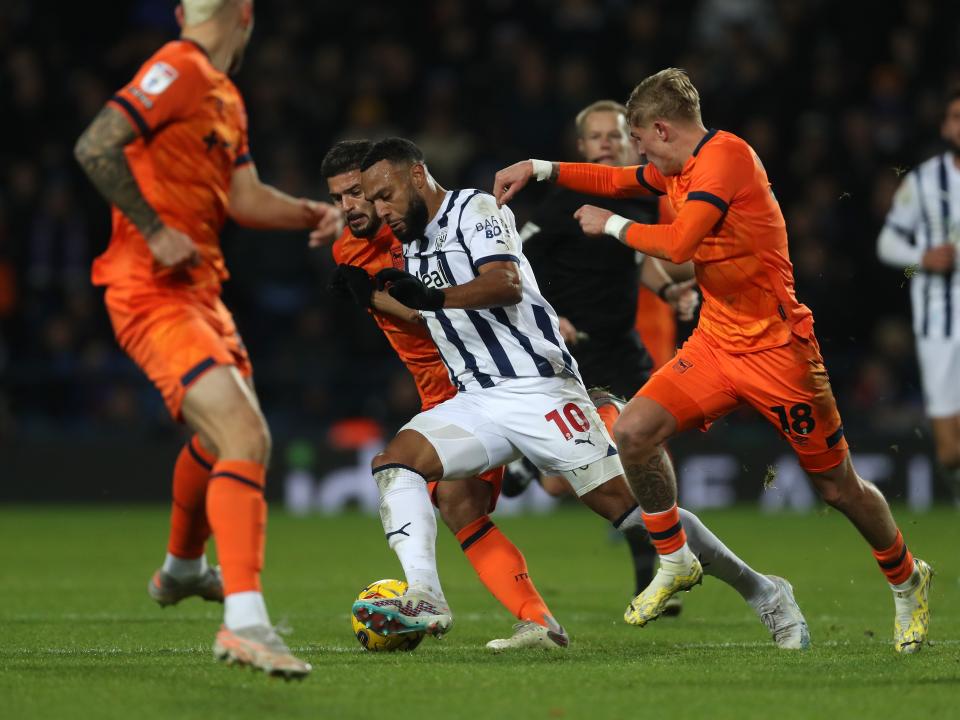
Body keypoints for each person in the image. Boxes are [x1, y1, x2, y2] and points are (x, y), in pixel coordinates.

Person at [493, 67, 932, 654]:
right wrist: (541, 168)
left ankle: (906, 578)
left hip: (780, 352)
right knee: (636, 432)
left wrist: (611, 226)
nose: (638, 153)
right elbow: (618, 179)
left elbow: (677, 246)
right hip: (716, 343)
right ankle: (672, 557)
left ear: (661, 129)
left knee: (837, 488)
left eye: (640, 139)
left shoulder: (726, 159)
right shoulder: (678, 164)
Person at [349, 137, 810, 651]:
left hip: (540, 388)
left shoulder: (474, 208)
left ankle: (765, 591)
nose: (381, 210)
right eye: (373, 202)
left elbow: (503, 284)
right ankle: (425, 595)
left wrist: (430, 297)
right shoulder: (411, 243)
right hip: (477, 398)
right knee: (397, 464)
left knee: (633, 511)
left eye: (385, 195)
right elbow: (432, 320)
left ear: (417, 177)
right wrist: (374, 300)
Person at [73, 0, 339, 678]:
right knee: (248, 439)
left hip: (201, 294)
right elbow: (95, 144)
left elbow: (243, 199)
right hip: (150, 288)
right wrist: (154, 229)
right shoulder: (177, 67)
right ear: (245, 18)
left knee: (218, 440)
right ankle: (245, 624)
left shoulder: (225, 95)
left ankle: (184, 568)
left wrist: (308, 212)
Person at [319, 139, 564, 651]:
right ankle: (536, 620)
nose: (349, 207)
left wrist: (383, 298)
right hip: (437, 392)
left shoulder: (417, 231)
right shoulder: (348, 248)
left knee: (594, 493)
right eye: (339, 197)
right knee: (461, 507)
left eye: (358, 194)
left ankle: (434, 596)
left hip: (482, 381)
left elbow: (456, 309)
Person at [517, 99, 698, 603]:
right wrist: (549, 317)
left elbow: (634, 257)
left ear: (630, 141)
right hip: (568, 357)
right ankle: (525, 464)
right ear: (580, 148)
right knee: (561, 486)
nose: (605, 143)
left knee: (649, 444)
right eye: (595, 136)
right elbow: (514, 263)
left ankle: (663, 568)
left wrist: (668, 292)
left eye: (613, 135)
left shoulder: (641, 195)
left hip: (623, 346)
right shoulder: (562, 197)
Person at [877, 87, 960, 502]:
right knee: (949, 452)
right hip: (938, 324)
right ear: (946, 125)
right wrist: (922, 257)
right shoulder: (925, 181)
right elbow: (887, 243)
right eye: (957, 117)